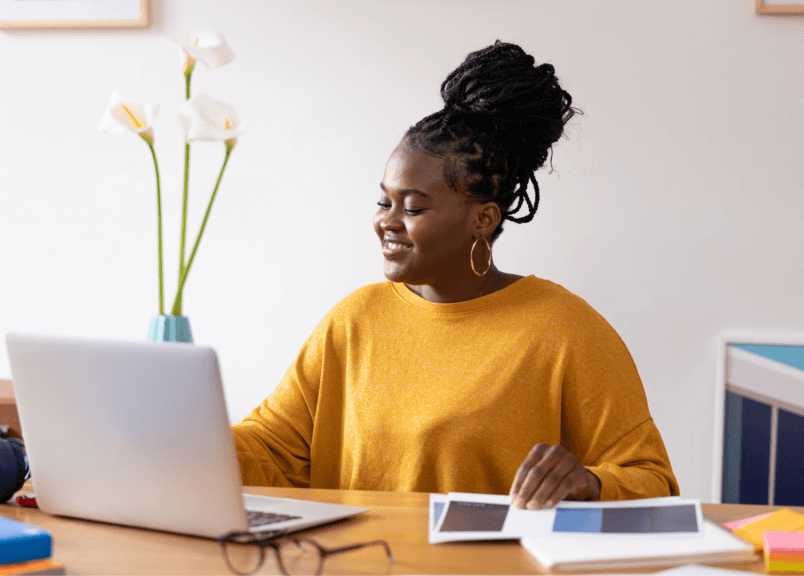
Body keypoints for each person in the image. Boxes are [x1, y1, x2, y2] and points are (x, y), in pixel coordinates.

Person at [232, 41, 679, 509]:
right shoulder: (353, 321)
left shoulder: (565, 331)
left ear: (482, 220)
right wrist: (175, 437)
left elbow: (653, 483)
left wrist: (589, 482)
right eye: (385, 201)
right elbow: (272, 450)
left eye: (414, 207)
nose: (388, 220)